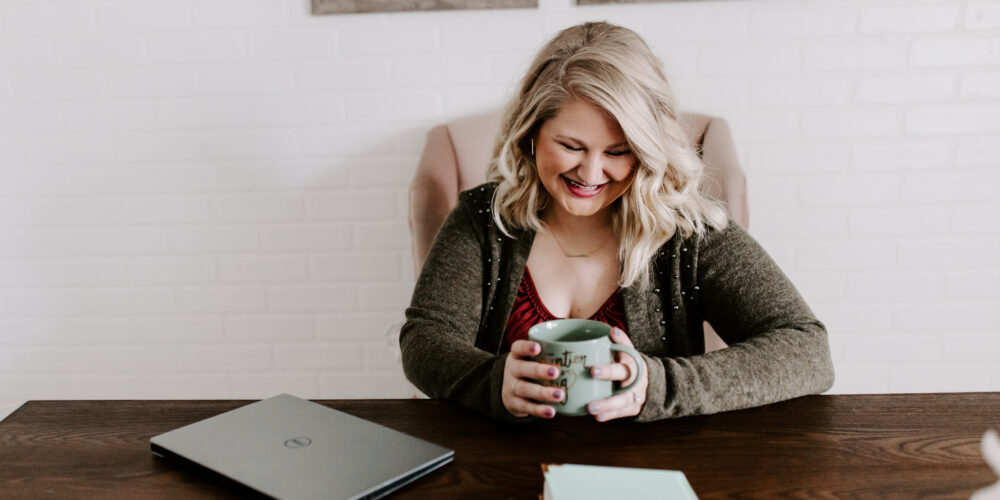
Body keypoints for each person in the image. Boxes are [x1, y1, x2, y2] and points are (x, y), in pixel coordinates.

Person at [400, 21, 834, 422]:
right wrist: (493, 382)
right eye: (571, 145)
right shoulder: (483, 219)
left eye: (617, 152)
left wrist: (658, 385)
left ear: (647, 150)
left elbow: (808, 351)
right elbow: (424, 339)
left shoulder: (688, 232)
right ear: (530, 134)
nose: (590, 174)